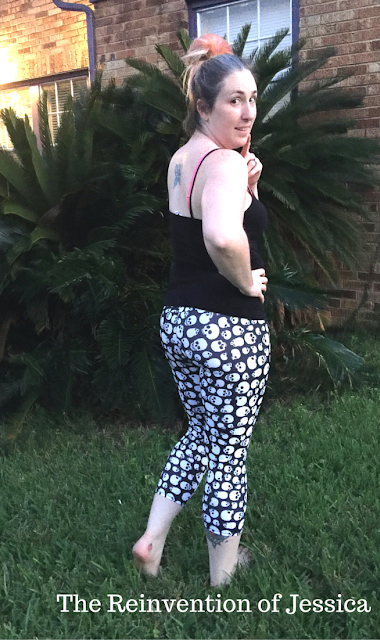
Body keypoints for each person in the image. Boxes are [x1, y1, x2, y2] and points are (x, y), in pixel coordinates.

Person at [132, 33, 271, 587]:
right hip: (229, 330)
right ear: (203, 106)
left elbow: (199, 223)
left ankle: (152, 540)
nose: (248, 112)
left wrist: (247, 189)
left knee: (200, 436)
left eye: (252, 98)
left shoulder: (182, 159)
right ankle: (223, 576)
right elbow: (220, 237)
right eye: (234, 100)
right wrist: (246, 281)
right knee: (229, 454)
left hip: (182, 322)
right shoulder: (225, 163)